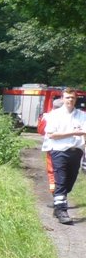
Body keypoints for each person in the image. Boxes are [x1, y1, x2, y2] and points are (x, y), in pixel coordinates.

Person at [43, 88, 86, 224]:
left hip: (76, 152)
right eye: (67, 97)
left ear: (76, 99)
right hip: (59, 151)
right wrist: (73, 132)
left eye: (72, 97)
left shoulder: (82, 115)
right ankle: (62, 211)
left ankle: (57, 206)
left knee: (69, 183)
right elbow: (52, 135)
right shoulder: (54, 115)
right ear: (62, 99)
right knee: (60, 181)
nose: (70, 100)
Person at [39, 95, 62, 194]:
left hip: (50, 147)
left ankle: (53, 188)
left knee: (51, 168)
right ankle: (61, 188)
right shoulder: (68, 117)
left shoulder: (47, 117)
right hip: (65, 148)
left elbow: (41, 131)